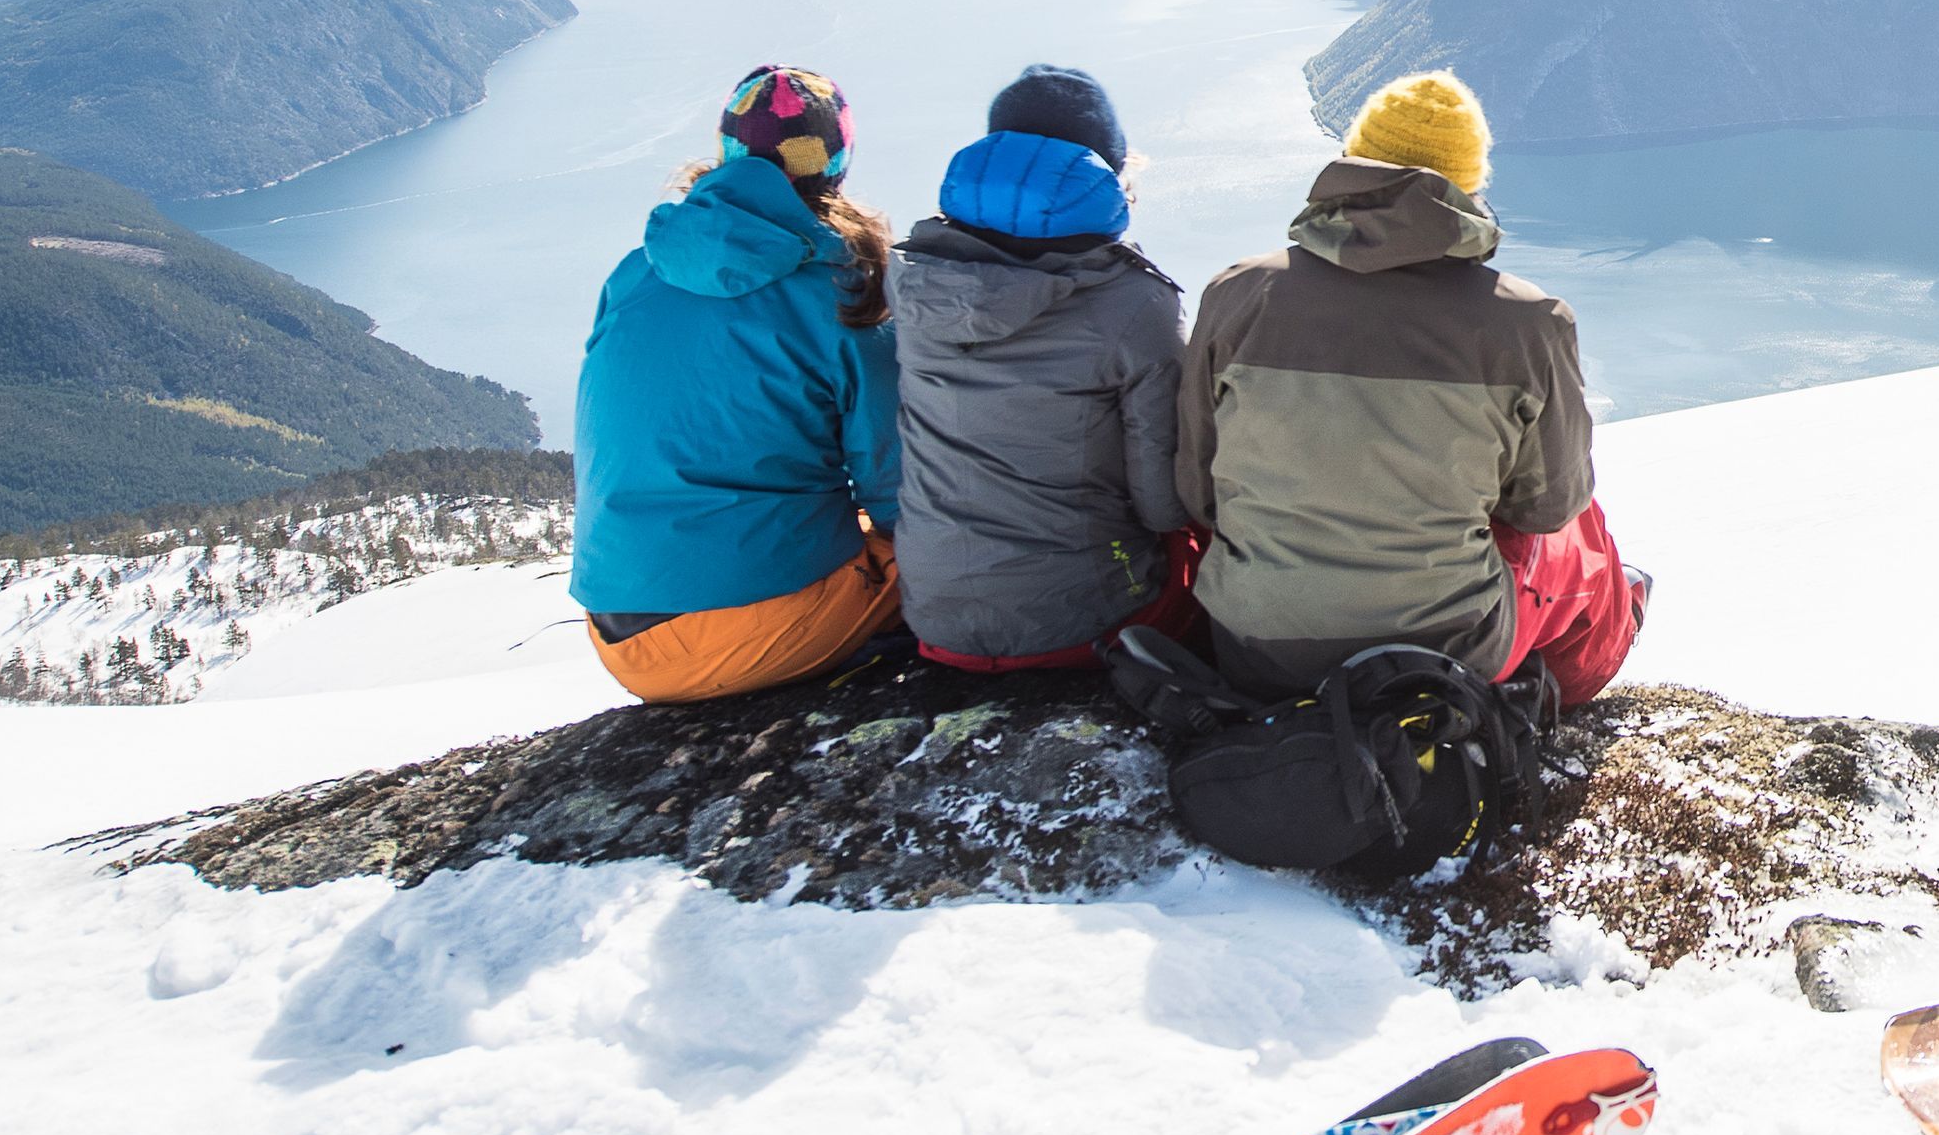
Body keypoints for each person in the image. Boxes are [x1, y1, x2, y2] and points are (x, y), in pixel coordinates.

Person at [1173, 70, 1652, 708]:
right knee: (1585, 538)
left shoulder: (1238, 295)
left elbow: (1198, 492)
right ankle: (1554, 705)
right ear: (1466, 186)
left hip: (1252, 647)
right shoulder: (1529, 323)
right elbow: (1548, 508)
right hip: (1447, 654)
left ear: (1352, 168)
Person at [565, 64, 908, 701]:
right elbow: (896, 493)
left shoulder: (634, 273)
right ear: (835, 165)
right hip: (758, 629)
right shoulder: (844, 293)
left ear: (727, 153)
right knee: (950, 559)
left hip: (620, 635)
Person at [883, 64, 1194, 672]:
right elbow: (1163, 507)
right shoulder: (1135, 303)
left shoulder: (917, 278)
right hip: (1085, 624)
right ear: (1103, 172)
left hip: (935, 619)